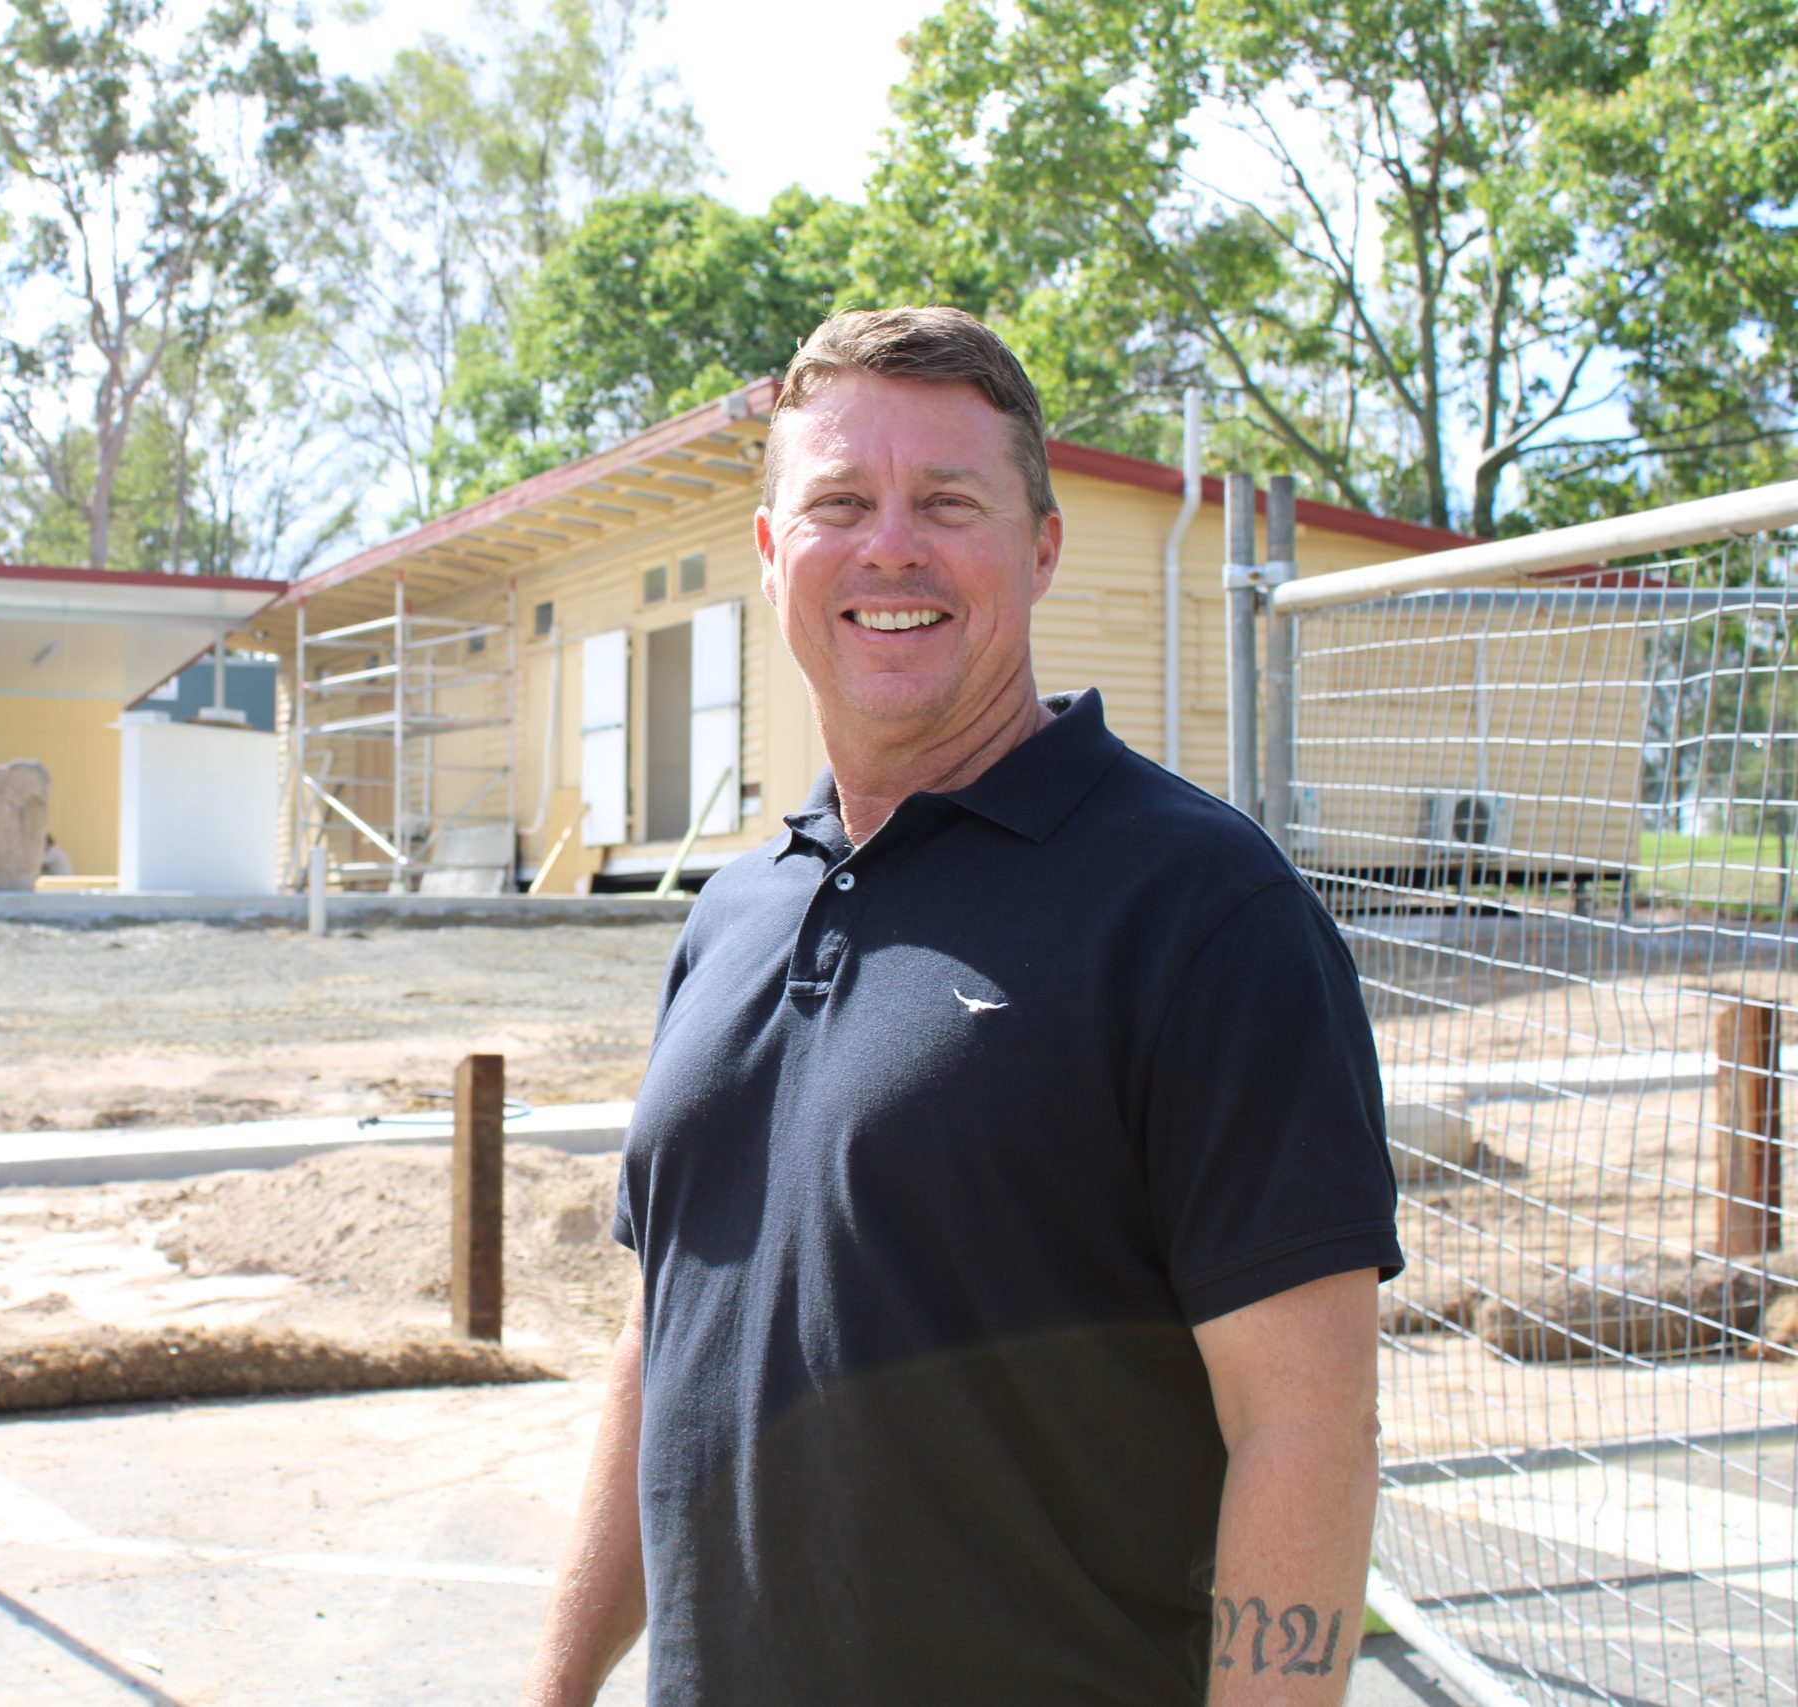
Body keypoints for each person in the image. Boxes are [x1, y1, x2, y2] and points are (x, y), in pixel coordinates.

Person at [521, 308, 1401, 1706]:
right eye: (839, 504)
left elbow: (1304, 1428)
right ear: (770, 556)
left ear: (1040, 548)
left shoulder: (1199, 910)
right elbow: (663, 1342)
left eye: (948, 502)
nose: (891, 548)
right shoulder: (732, 916)